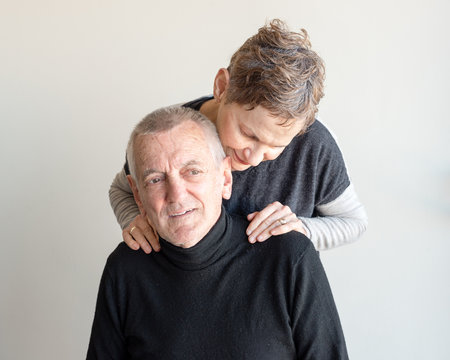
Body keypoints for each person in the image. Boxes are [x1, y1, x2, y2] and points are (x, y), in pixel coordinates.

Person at [87, 106, 349, 359]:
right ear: (137, 194)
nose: (176, 195)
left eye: (192, 171)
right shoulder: (125, 269)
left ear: (225, 178)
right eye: (155, 179)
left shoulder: (288, 258)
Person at [109, 19, 368, 254]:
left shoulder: (315, 146)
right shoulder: (170, 135)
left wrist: (302, 229)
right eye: (247, 133)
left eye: (276, 145)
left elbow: (354, 222)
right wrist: (134, 220)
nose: (254, 157)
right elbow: (121, 189)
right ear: (222, 87)